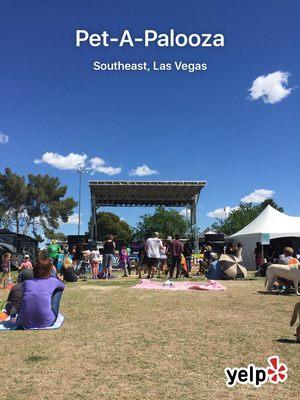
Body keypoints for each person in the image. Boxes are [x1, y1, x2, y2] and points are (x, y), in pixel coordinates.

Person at [17, 258, 65, 329]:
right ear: (49, 270)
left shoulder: (27, 282)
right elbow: (63, 286)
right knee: (58, 290)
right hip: (46, 322)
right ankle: (47, 312)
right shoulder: (53, 281)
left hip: (24, 321)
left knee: (27, 293)